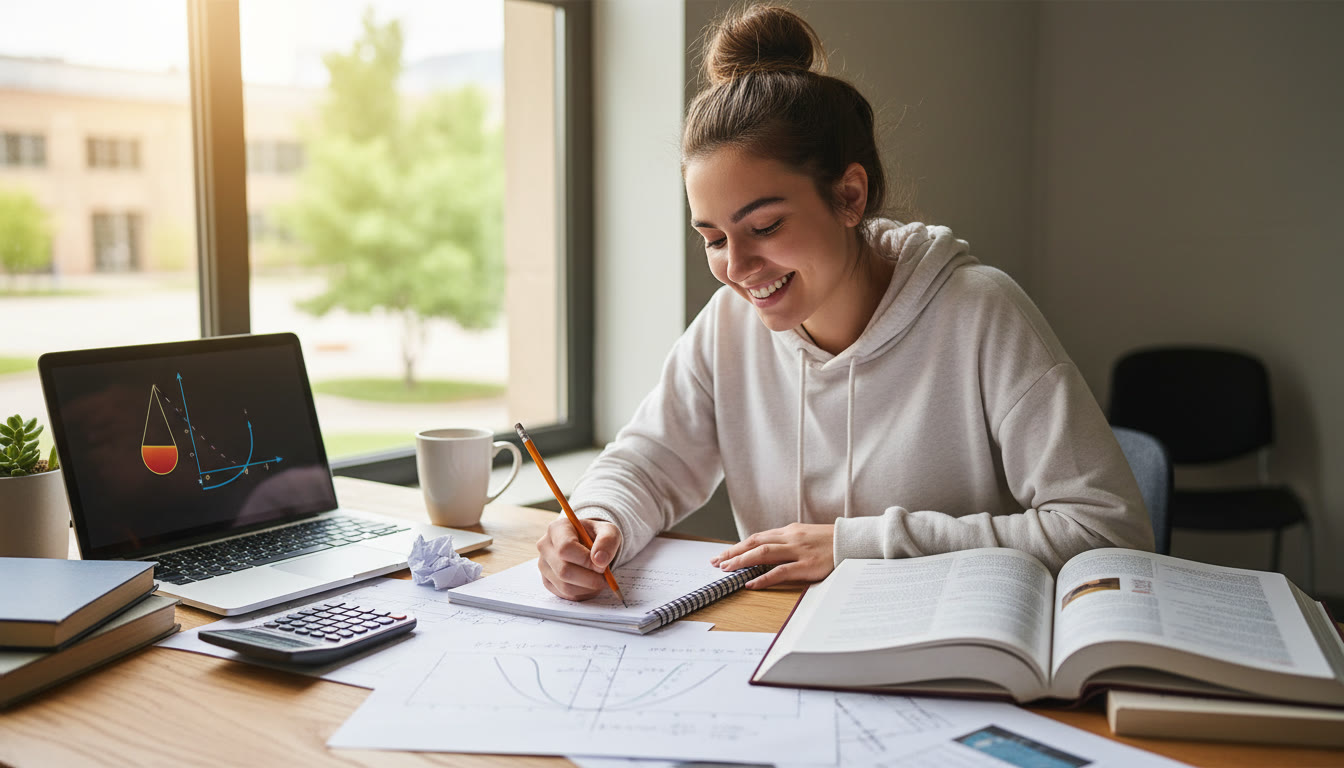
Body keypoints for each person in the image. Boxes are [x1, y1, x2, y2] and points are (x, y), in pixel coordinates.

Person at [537, 3, 1154, 601]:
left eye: (767, 226)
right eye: (714, 238)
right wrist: (595, 519)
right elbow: (649, 462)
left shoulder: (980, 312)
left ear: (850, 195)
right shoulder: (728, 326)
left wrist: (857, 545)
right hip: (776, 651)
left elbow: (1108, 533)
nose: (737, 268)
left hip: (948, 654)